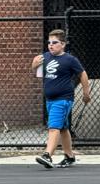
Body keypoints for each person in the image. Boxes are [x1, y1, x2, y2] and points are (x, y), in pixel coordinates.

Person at [30, 29, 91, 168]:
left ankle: (48, 155)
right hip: (50, 99)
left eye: (55, 43)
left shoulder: (69, 59)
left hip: (63, 99)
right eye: (49, 43)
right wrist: (34, 65)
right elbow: (39, 74)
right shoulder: (45, 57)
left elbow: (82, 74)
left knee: (54, 127)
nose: (51, 45)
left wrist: (86, 93)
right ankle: (69, 156)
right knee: (63, 128)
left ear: (62, 44)